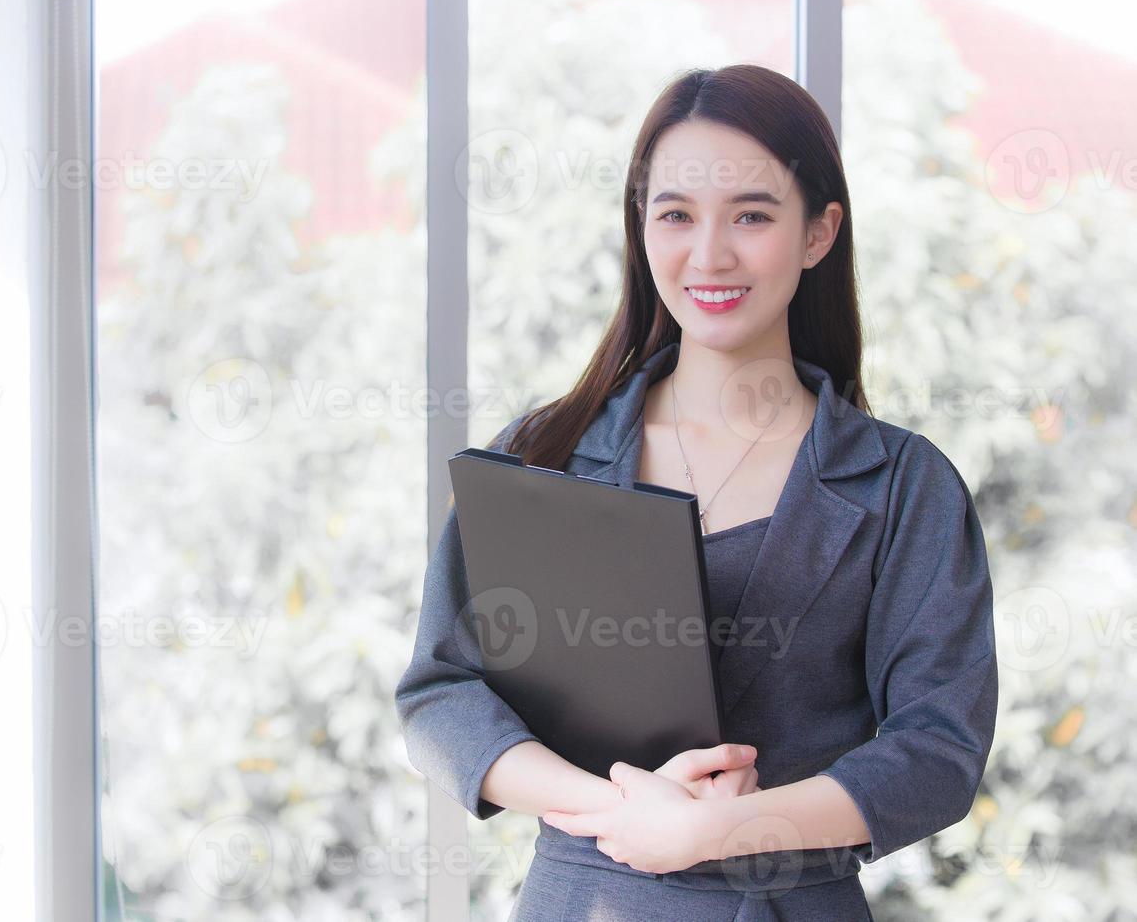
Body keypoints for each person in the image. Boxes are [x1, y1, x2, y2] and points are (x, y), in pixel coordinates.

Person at [394, 64, 998, 921]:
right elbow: (441, 694)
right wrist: (621, 813)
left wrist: (726, 831)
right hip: (583, 898)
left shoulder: (905, 486)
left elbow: (937, 751)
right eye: (675, 214)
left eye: (751, 216)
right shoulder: (544, 453)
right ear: (640, 228)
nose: (708, 255)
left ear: (819, 232)